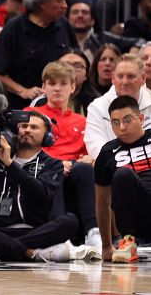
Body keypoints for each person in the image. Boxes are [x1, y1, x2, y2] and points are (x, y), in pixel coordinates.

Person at [0, 112, 78, 262]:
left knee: (70, 221)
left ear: (47, 136)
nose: (27, 130)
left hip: (36, 229)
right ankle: (31, 253)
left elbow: (41, 194)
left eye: (34, 127)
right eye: (24, 126)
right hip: (0, 229)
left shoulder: (53, 164)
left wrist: (10, 164)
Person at [26, 61, 100, 249]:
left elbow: (87, 152)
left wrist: (87, 159)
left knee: (85, 168)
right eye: (51, 83)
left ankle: (93, 231)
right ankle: (60, 233)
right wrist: (57, 162)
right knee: (56, 169)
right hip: (42, 166)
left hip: (74, 166)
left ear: (73, 87)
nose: (57, 88)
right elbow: (26, 146)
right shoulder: (31, 114)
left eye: (63, 83)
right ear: (43, 87)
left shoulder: (83, 121)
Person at [95, 96, 151, 262]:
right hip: (140, 214)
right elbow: (102, 202)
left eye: (127, 120)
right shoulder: (108, 152)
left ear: (141, 118)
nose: (122, 127)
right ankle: (128, 242)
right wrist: (106, 246)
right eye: (115, 122)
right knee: (123, 174)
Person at [0, 0, 76, 109]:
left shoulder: (64, 25)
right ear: (41, 2)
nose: (65, 6)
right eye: (59, 0)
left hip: (60, 108)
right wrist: (22, 90)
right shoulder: (14, 28)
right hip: (22, 109)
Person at [84, 54, 151, 159]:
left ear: (143, 78)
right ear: (113, 78)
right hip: (115, 168)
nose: (125, 82)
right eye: (120, 76)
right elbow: (95, 147)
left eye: (131, 76)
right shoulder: (97, 107)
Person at [58, 49, 99, 116]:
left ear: (86, 75)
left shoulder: (96, 102)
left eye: (77, 66)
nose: (70, 70)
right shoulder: (42, 100)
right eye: (64, 65)